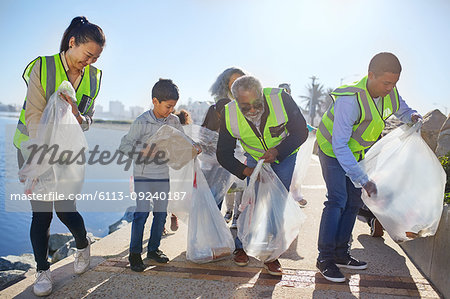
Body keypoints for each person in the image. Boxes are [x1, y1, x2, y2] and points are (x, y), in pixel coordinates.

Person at [12, 16, 105, 297]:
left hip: (67, 155)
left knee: (66, 210)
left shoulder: (93, 77)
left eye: (96, 58)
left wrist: (78, 115)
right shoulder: (44, 65)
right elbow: (34, 114)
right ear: (72, 42)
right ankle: (42, 270)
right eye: (87, 55)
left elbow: (88, 119)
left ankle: (82, 243)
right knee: (41, 214)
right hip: (33, 148)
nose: (89, 62)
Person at [315, 52, 422, 283]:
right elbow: (340, 145)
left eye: (394, 83)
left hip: (355, 152)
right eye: (386, 83)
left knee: (354, 202)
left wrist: (412, 116)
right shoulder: (349, 100)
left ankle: (341, 253)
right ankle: (325, 258)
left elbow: (402, 110)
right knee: (337, 199)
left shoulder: (390, 92)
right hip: (332, 150)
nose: (390, 88)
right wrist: (363, 178)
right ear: (370, 75)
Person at [217, 75, 308, 275]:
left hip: (283, 157)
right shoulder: (229, 114)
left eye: (256, 104)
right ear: (236, 102)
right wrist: (247, 171)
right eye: (245, 106)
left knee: (276, 205)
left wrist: (278, 151)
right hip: (255, 160)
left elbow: (301, 131)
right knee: (251, 202)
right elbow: (222, 154)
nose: (252, 110)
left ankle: (271, 255)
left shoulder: (280, 98)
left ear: (262, 95)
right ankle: (241, 247)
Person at [119, 79, 185, 272]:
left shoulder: (173, 121)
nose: (171, 111)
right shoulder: (141, 122)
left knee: (161, 213)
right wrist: (143, 151)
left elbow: (181, 140)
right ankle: (134, 253)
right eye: (168, 106)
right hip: (143, 176)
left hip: (163, 175)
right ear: (155, 101)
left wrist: (192, 147)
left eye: (173, 107)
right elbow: (124, 146)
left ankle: (154, 250)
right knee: (141, 214)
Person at [203, 67, 246, 222]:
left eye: (240, 80)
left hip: (239, 153)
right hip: (220, 157)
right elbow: (207, 130)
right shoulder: (219, 105)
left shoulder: (246, 102)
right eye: (233, 81)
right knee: (224, 191)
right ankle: (226, 216)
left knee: (238, 187)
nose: (237, 85)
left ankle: (236, 216)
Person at [278, 83, 315, 207]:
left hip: (291, 148)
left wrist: (312, 129)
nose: (285, 93)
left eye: (287, 90)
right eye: (282, 90)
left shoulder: (292, 106)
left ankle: (295, 197)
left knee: (294, 175)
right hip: (277, 147)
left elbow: (300, 124)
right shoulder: (274, 105)